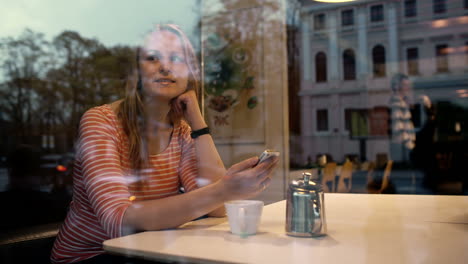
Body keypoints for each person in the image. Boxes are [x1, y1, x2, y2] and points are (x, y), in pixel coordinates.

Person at [51, 24, 278, 263]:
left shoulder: (182, 131)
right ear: (137, 71)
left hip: (149, 251)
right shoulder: (100, 121)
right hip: (92, 255)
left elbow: (217, 208)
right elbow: (120, 220)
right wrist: (225, 189)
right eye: (153, 57)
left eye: (177, 58)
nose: (165, 66)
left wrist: (198, 123)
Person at [388, 73, 416, 164]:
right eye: (405, 85)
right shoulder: (396, 103)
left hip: (403, 146)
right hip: (402, 147)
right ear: (397, 87)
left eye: (408, 85)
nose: (407, 88)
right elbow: (398, 130)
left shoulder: (402, 102)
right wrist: (410, 146)